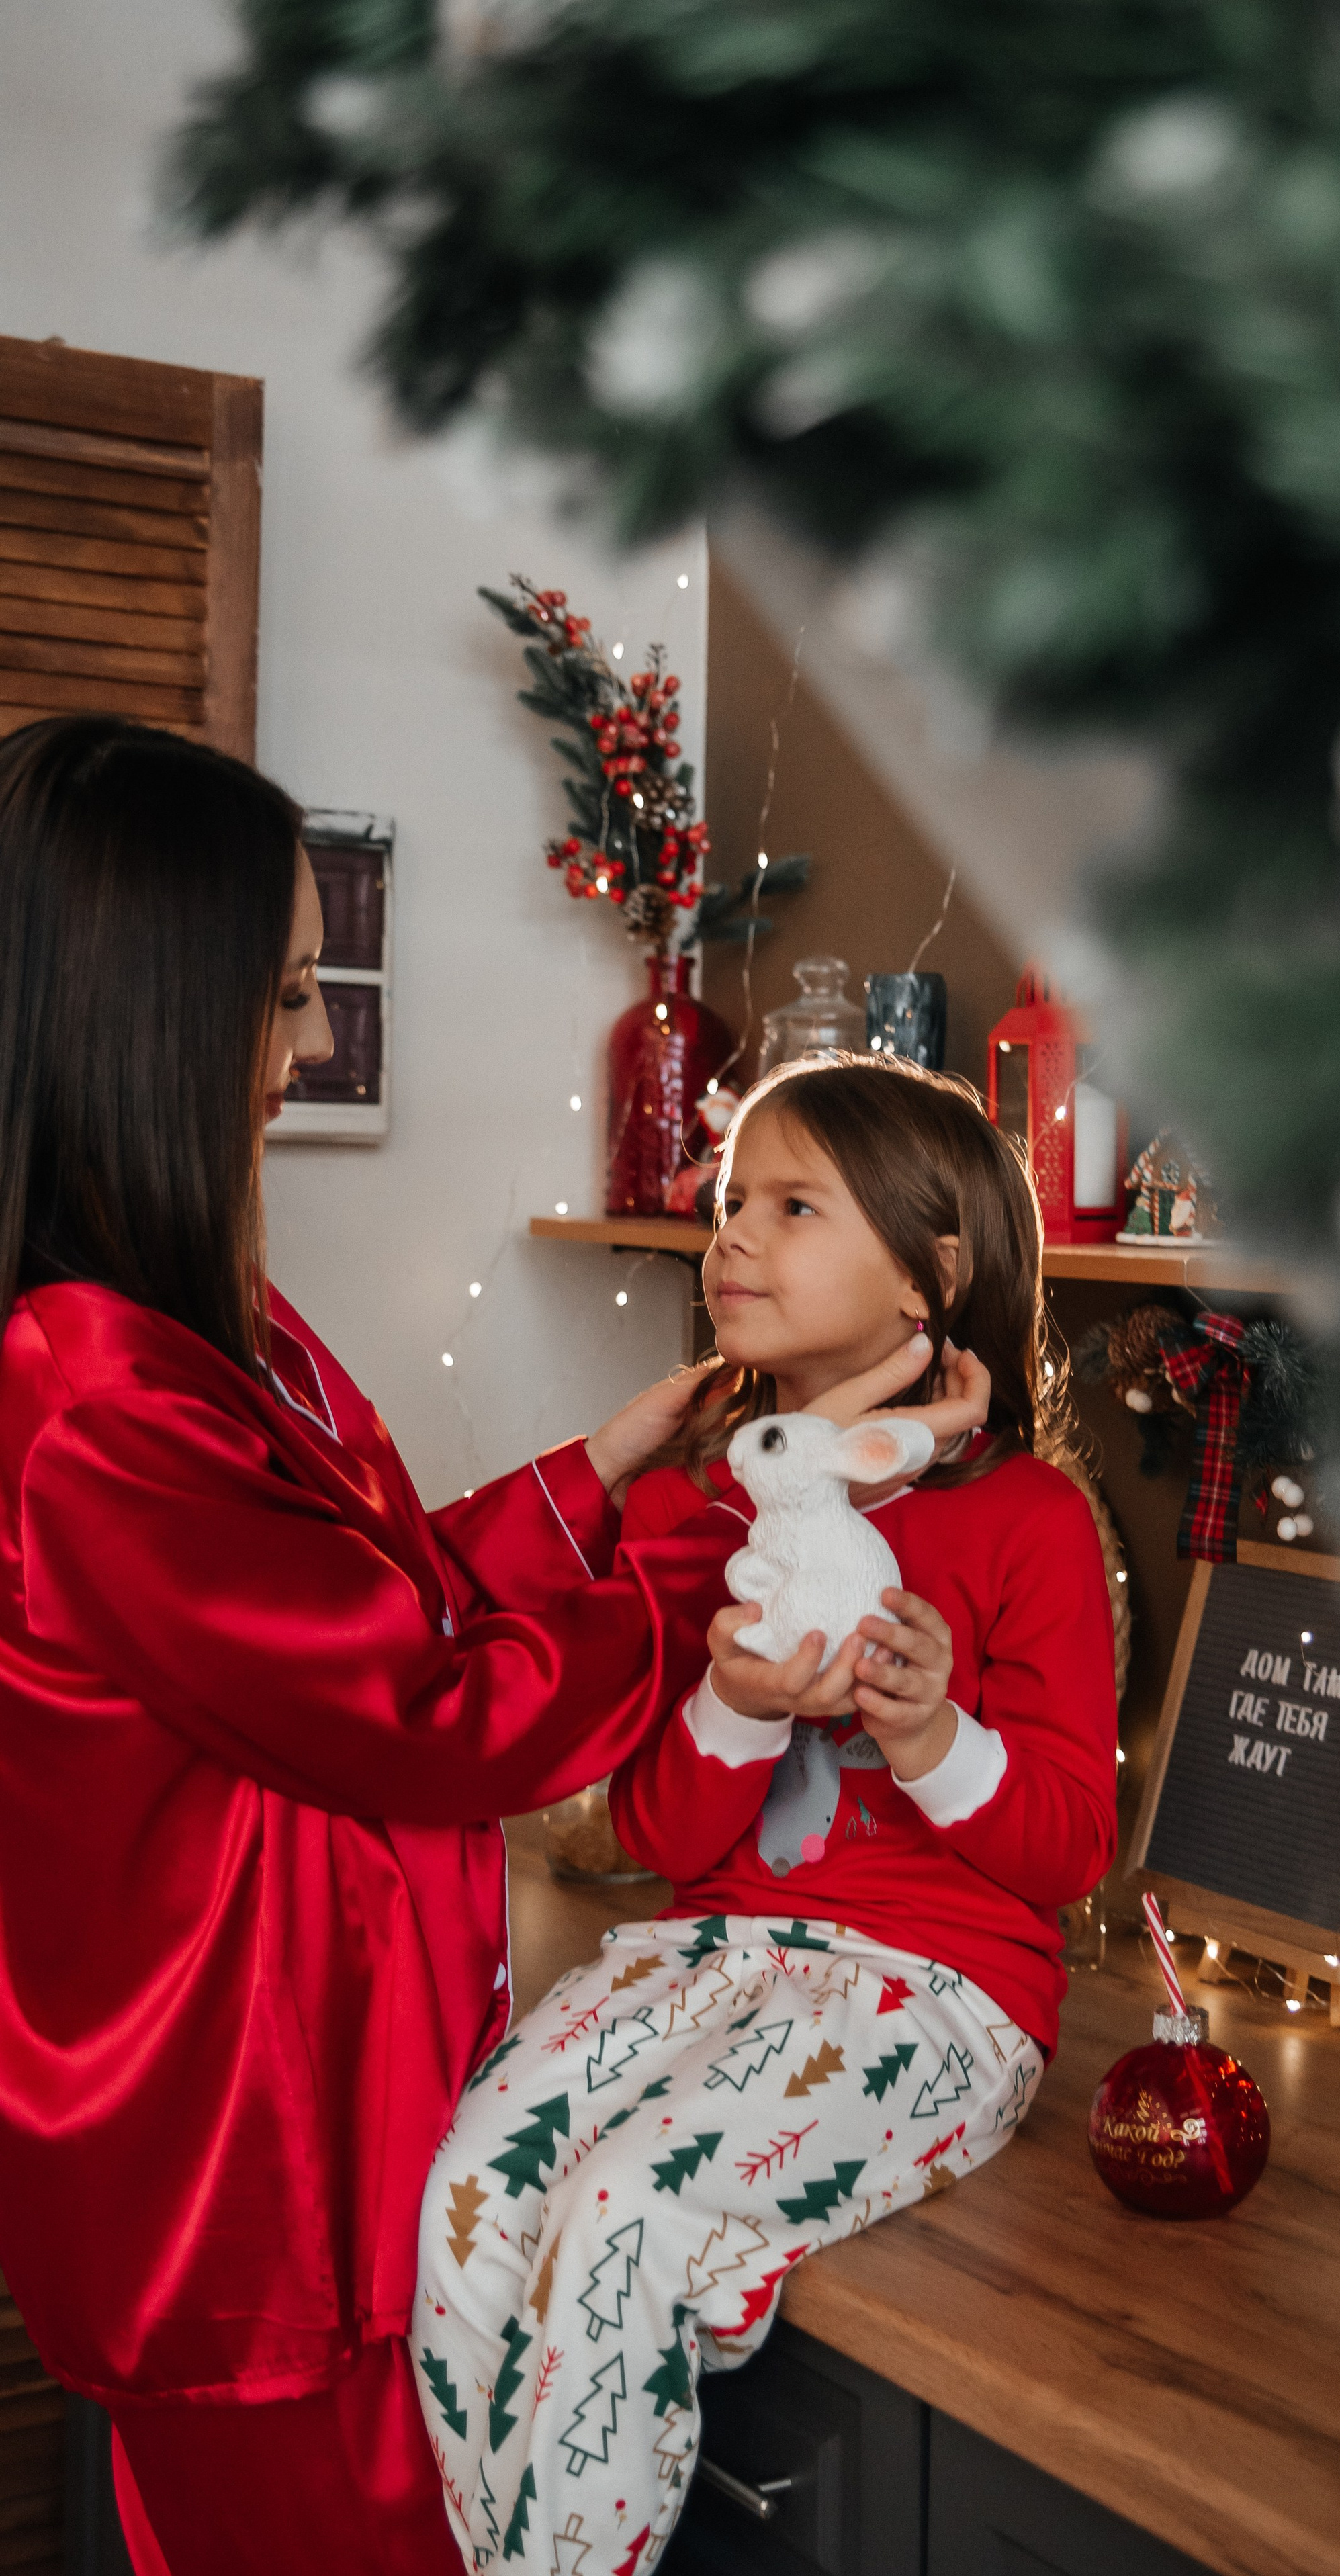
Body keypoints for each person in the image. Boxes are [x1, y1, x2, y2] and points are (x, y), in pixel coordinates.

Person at [0, 719, 982, 2576]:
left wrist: (617, 1464)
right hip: (250, 2182)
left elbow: (377, 1592)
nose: (308, 1040)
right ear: (151, 1011)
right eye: (285, 990)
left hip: (345, 2125)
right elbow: (420, 1703)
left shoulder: (218, 1334)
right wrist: (732, 1560)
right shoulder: (93, 1402)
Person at [415, 1054, 1118, 2574]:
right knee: (470, 2174)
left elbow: (1065, 1845)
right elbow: (665, 1838)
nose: (729, 1232)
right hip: (711, 1962)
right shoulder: (696, 1509)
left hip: (935, 1997)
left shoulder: (1028, 1519)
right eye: (732, 1199)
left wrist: (931, 1735)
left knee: (618, 2211)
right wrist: (733, 1698)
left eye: (789, 1205)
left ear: (934, 1272)